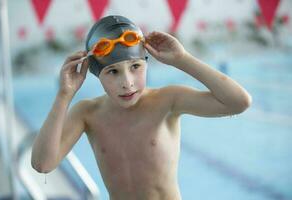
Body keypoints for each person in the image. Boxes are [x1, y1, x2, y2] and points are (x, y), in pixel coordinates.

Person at [31, 15, 252, 200]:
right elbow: (43, 164)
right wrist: (63, 95)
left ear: (146, 63)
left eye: (135, 66)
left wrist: (182, 59)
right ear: (96, 73)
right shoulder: (88, 113)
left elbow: (239, 102)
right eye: (113, 72)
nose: (127, 82)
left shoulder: (167, 100)